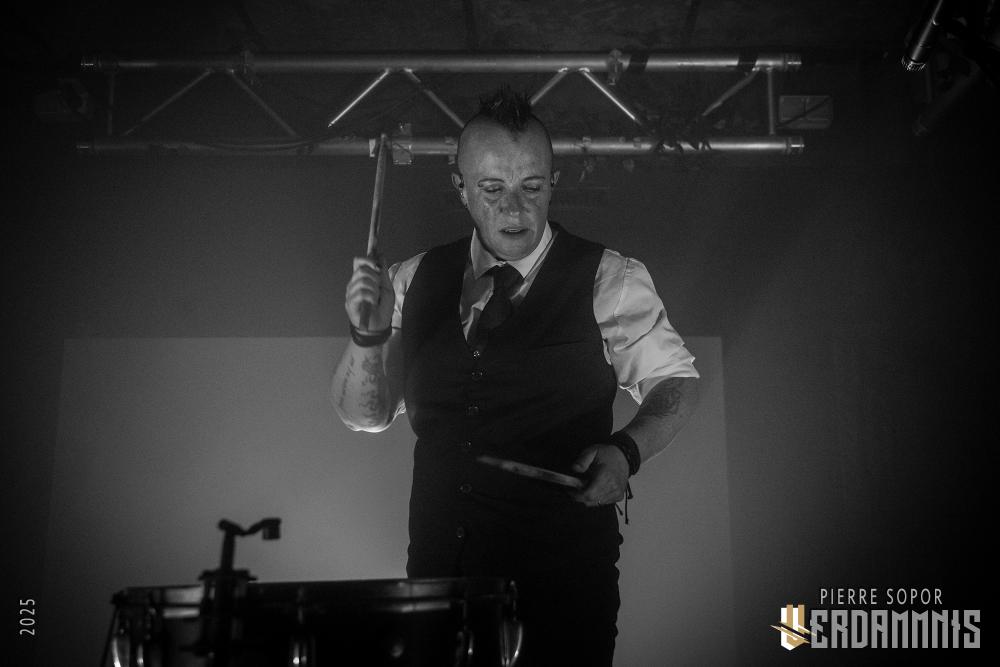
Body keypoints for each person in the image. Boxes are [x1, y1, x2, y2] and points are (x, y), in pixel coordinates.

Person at [332, 87, 699, 666]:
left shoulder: (610, 279)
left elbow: (675, 383)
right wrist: (367, 337)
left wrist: (626, 452)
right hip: (438, 589)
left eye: (531, 187)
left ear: (553, 182)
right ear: (460, 188)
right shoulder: (412, 280)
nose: (515, 210)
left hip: (563, 595)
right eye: (492, 189)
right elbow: (366, 416)